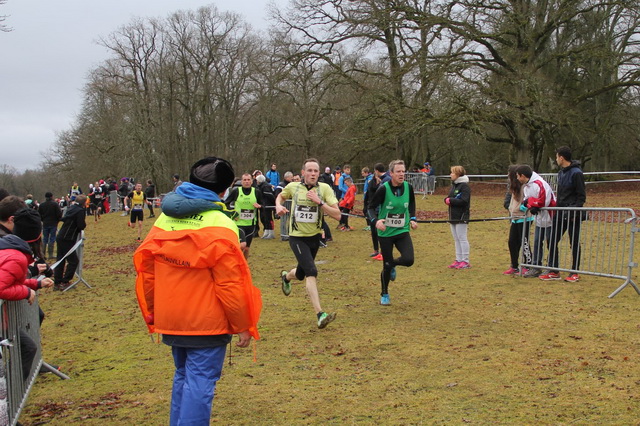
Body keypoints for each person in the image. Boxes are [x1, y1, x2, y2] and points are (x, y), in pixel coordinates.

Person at [134, 156, 261, 426]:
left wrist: (154, 311)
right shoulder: (221, 224)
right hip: (206, 323)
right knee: (200, 384)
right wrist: (243, 324)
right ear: (225, 191)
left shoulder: (164, 219)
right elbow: (230, 284)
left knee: (183, 376)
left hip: (172, 317)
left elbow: (148, 273)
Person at [276, 158, 341, 329]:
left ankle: (286, 276)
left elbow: (338, 215)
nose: (313, 174)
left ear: (319, 174)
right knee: (311, 271)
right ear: (303, 172)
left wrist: (320, 203)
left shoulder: (324, 189)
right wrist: (278, 206)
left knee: (300, 273)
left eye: (316, 171)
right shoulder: (293, 187)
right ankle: (320, 314)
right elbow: (280, 197)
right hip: (297, 237)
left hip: (314, 238)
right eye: (309, 170)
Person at [0, 208, 54, 380]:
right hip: (3, 320)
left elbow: (10, 280)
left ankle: (8, 395)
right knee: (27, 348)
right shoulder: (17, 257)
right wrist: (25, 291)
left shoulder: (13, 253)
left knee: (28, 348)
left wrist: (36, 283)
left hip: (5, 319)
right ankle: (8, 400)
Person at [366, 160, 418, 306]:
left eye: (403, 171)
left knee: (408, 260)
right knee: (386, 267)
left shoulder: (409, 187)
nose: (402, 174)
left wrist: (412, 218)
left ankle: (392, 264)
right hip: (386, 233)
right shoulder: (383, 189)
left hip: (402, 230)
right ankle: (384, 293)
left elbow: (412, 203)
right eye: (398, 172)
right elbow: (370, 208)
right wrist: (376, 221)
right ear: (391, 174)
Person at [539, 146, 586, 282]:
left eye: (556, 157)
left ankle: (574, 271)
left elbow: (581, 196)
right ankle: (554, 270)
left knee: (574, 242)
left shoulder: (576, 173)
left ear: (561, 157)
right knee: (552, 240)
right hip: (560, 214)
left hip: (572, 215)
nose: (556, 160)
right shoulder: (561, 173)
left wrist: (574, 211)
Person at [515, 165, 556, 278]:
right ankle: (536, 266)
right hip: (539, 218)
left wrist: (532, 203)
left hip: (550, 218)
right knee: (537, 241)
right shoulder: (527, 186)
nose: (517, 179)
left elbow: (543, 201)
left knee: (550, 243)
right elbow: (526, 202)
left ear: (523, 176)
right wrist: (530, 204)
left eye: (518, 176)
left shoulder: (539, 183)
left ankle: (552, 267)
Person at [503, 165, 533, 275]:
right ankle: (514, 265)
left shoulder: (525, 186)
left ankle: (528, 265)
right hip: (515, 218)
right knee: (512, 242)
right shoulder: (513, 188)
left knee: (524, 241)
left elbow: (529, 199)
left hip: (524, 217)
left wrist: (523, 207)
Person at [225, 173, 263, 258]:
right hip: (238, 224)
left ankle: (244, 267)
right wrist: (232, 213)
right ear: (241, 181)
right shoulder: (236, 191)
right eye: (245, 180)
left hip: (251, 224)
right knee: (241, 245)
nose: (246, 182)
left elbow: (263, 204)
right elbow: (226, 203)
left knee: (246, 248)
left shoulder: (256, 192)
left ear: (252, 181)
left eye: (248, 180)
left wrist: (260, 206)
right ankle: (234, 261)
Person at [54, 194, 87, 291]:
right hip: (68, 238)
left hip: (61, 236)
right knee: (73, 261)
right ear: (84, 203)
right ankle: (65, 281)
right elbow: (81, 225)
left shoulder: (71, 208)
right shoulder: (80, 211)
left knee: (60, 259)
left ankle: (57, 282)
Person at [445, 165, 471, 269]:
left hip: (461, 216)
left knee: (462, 238)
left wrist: (451, 201)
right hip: (453, 216)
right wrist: (446, 200)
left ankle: (465, 260)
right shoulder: (454, 186)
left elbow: (464, 201)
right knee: (456, 239)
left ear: (458, 174)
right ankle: (458, 259)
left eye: (452, 173)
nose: (450, 175)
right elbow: (449, 196)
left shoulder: (464, 187)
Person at [364, 163, 386, 260]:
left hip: (381, 209)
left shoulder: (385, 182)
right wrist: (366, 207)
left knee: (381, 231)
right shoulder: (371, 181)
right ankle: (376, 250)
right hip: (372, 209)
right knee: (373, 230)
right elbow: (368, 194)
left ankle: (383, 251)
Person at [38, 191, 62, 260]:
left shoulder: (42, 205)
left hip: (45, 223)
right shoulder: (55, 204)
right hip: (53, 223)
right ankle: (50, 254)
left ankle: (42, 254)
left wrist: (43, 219)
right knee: (52, 238)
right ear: (51, 196)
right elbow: (59, 214)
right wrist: (58, 219)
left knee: (45, 238)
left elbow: (39, 214)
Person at [256, 174, 276, 239]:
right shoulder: (261, 186)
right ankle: (267, 232)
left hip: (268, 205)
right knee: (265, 219)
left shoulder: (265, 187)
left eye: (257, 180)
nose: (256, 182)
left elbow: (270, 196)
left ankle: (271, 233)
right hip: (265, 205)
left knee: (269, 219)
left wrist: (274, 204)